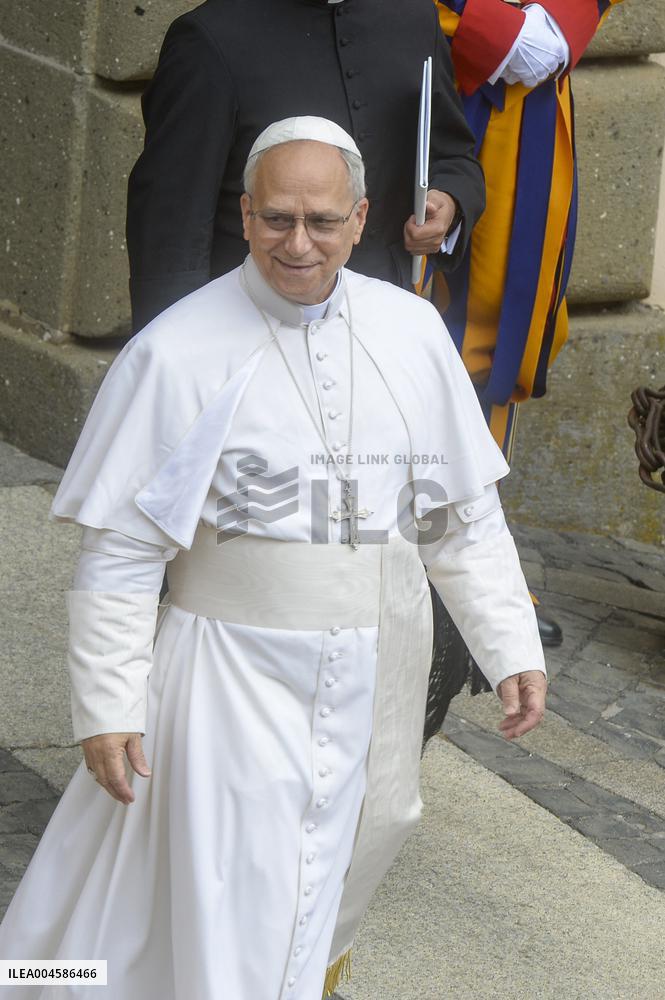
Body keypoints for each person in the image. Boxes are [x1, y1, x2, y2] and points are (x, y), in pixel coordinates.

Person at [0, 119, 546, 1000]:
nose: (300, 243)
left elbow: (459, 520)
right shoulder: (177, 350)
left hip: (379, 670)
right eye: (279, 219)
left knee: (341, 865)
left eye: (322, 222)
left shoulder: (409, 332)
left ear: (360, 217)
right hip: (227, 677)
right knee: (227, 890)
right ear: (246, 215)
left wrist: (509, 646)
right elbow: (123, 551)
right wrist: (105, 703)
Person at [427, 0, 624, 648]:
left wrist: (559, 19)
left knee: (501, 334)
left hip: (525, 107)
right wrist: (487, 29)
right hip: (416, 73)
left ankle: (468, 561)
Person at [125, 0, 485, 333]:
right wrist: (178, 354)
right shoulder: (208, 37)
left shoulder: (414, 16)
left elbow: (452, 156)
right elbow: (168, 230)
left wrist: (448, 202)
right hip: (245, 330)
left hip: (382, 329)